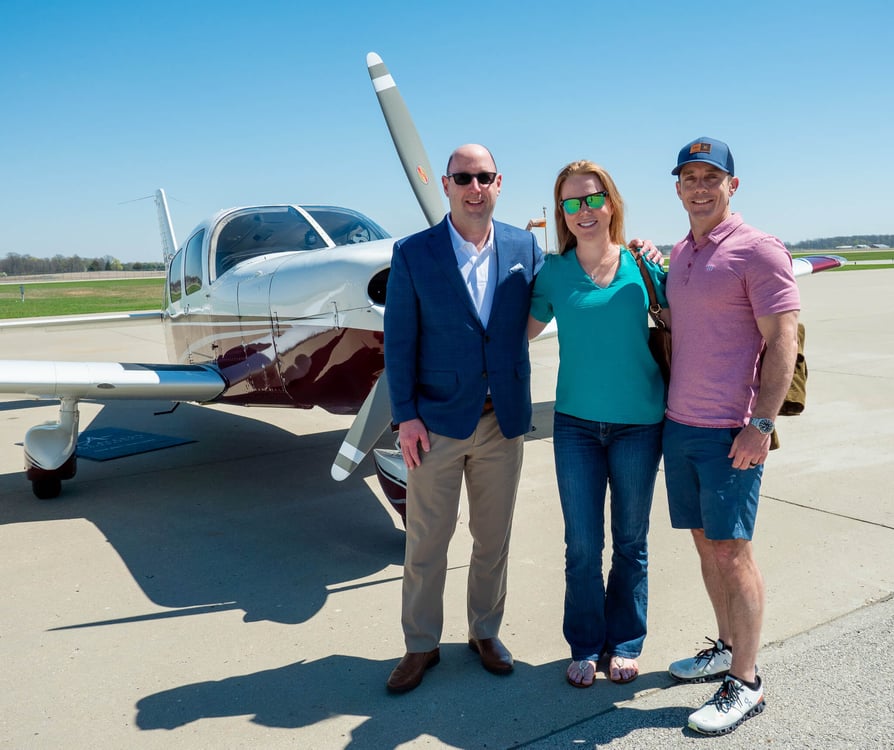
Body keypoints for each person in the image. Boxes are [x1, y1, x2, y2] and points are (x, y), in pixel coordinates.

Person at [383, 144, 544, 694]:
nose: (475, 187)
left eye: (485, 177)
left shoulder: (526, 246)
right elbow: (399, 343)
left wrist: (634, 250)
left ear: (499, 183)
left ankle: (484, 632)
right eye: (463, 178)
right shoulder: (414, 253)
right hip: (435, 425)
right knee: (426, 541)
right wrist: (405, 416)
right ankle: (420, 645)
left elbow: (557, 295)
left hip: (503, 422)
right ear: (447, 185)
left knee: (492, 538)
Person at [662, 137, 800, 735]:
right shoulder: (680, 253)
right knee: (704, 544)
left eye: (710, 177)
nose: (699, 187)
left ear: (732, 186)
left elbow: (783, 343)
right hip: (680, 425)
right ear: (678, 187)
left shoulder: (759, 250)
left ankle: (745, 683)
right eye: (689, 177)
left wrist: (761, 425)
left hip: (731, 432)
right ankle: (723, 648)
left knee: (732, 551)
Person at [528, 160, 667, 689]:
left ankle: (626, 643)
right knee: (582, 545)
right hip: (577, 428)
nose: (583, 211)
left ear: (610, 202)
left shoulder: (643, 264)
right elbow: (515, 332)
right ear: (562, 213)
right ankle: (586, 644)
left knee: (632, 541)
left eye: (592, 199)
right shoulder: (554, 272)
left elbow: (692, 316)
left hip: (639, 424)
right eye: (571, 203)